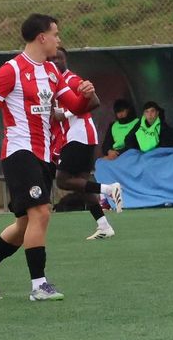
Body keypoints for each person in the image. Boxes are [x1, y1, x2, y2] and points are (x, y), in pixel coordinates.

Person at [0, 13, 95, 302]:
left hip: (46, 154)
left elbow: (75, 105)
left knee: (27, 223)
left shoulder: (52, 72)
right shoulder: (10, 71)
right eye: (56, 34)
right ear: (42, 37)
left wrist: (86, 94)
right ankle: (39, 285)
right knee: (41, 212)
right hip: (18, 151)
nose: (58, 39)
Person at [49, 46, 122, 241]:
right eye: (52, 58)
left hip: (78, 134)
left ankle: (108, 189)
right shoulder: (53, 81)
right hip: (80, 136)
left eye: (60, 58)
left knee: (63, 180)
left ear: (66, 60)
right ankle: (103, 225)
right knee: (83, 185)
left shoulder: (72, 80)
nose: (56, 61)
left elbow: (94, 102)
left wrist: (64, 114)